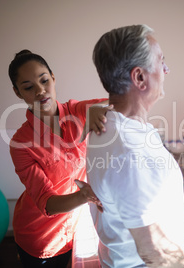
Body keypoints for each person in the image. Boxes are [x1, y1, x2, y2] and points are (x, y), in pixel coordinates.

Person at [86, 25, 184, 268]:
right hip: (144, 262)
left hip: (164, 229)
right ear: (139, 77)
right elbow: (156, 254)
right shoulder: (130, 153)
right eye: (161, 61)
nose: (167, 69)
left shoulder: (112, 121)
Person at [8, 49, 111, 268]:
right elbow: (48, 203)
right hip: (40, 239)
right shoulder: (21, 144)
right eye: (28, 87)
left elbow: (119, 103)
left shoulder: (78, 111)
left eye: (44, 80)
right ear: (18, 93)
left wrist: (100, 110)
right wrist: (87, 195)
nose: (40, 91)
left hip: (77, 230)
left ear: (53, 78)